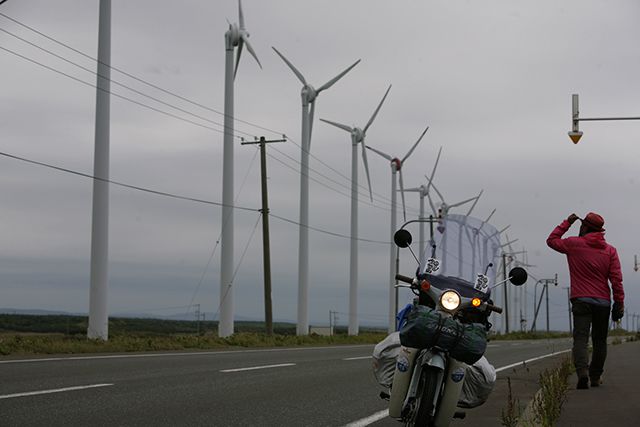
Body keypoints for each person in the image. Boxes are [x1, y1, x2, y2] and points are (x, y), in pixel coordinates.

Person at [546, 212, 624, 389]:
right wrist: (619, 302)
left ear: (585, 227)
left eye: (582, 225)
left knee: (581, 339)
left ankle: (582, 373)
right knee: (599, 340)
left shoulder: (574, 244)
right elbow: (616, 279)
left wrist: (567, 222)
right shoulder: (610, 251)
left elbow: (551, 240)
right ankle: (595, 377)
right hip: (603, 302)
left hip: (581, 300)